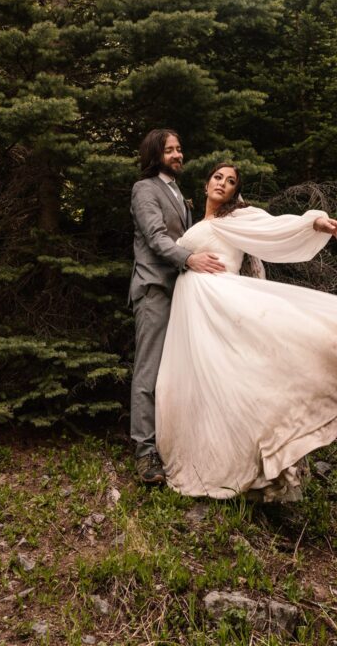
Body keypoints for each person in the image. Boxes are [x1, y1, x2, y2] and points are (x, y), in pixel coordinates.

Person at [155, 163, 337, 500]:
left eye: (230, 181)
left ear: (235, 192)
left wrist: (315, 222)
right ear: (206, 185)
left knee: (239, 377)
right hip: (193, 311)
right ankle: (208, 459)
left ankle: (257, 465)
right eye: (218, 177)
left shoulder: (238, 218)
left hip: (220, 300)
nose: (222, 183)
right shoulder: (198, 224)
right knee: (202, 383)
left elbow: (275, 226)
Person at [129, 129, 226, 485]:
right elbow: (155, 238)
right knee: (149, 372)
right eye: (169, 150)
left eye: (179, 148)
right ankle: (144, 453)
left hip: (183, 294)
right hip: (154, 289)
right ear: (155, 155)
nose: (177, 155)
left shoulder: (178, 192)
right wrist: (190, 259)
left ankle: (174, 445)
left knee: (176, 373)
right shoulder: (145, 189)